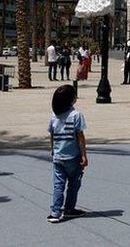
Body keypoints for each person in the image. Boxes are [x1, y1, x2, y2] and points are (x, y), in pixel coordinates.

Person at [47, 85, 88, 223]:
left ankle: (55, 212)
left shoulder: (54, 116)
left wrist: (53, 150)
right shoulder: (76, 115)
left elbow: (52, 135)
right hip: (73, 157)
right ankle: (69, 209)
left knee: (58, 185)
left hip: (58, 157)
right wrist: (84, 155)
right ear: (70, 100)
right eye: (75, 95)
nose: (76, 97)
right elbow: (80, 136)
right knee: (73, 184)